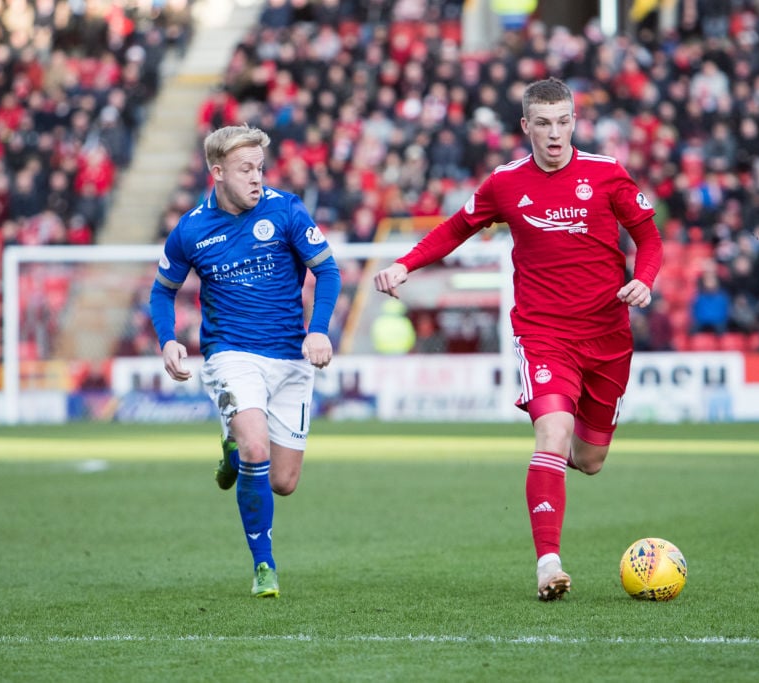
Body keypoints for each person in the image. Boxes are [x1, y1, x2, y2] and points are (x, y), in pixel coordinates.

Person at [374, 78, 663, 601]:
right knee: (551, 434)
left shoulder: (605, 175)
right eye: (545, 123)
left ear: (575, 121)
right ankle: (548, 563)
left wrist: (644, 278)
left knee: (590, 459)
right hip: (543, 333)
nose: (556, 134)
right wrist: (404, 263)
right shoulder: (506, 183)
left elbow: (648, 236)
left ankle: (556, 464)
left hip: (608, 336)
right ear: (525, 126)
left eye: (565, 121)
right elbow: (456, 228)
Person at [149, 124, 342, 599]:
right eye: (245, 169)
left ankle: (231, 443)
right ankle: (264, 565)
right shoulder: (191, 229)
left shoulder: (287, 210)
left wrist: (318, 329)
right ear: (217, 173)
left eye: (259, 167)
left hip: (289, 358)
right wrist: (168, 339)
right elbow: (162, 291)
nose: (257, 178)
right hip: (231, 354)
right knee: (256, 447)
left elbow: (327, 270)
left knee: (283, 482)